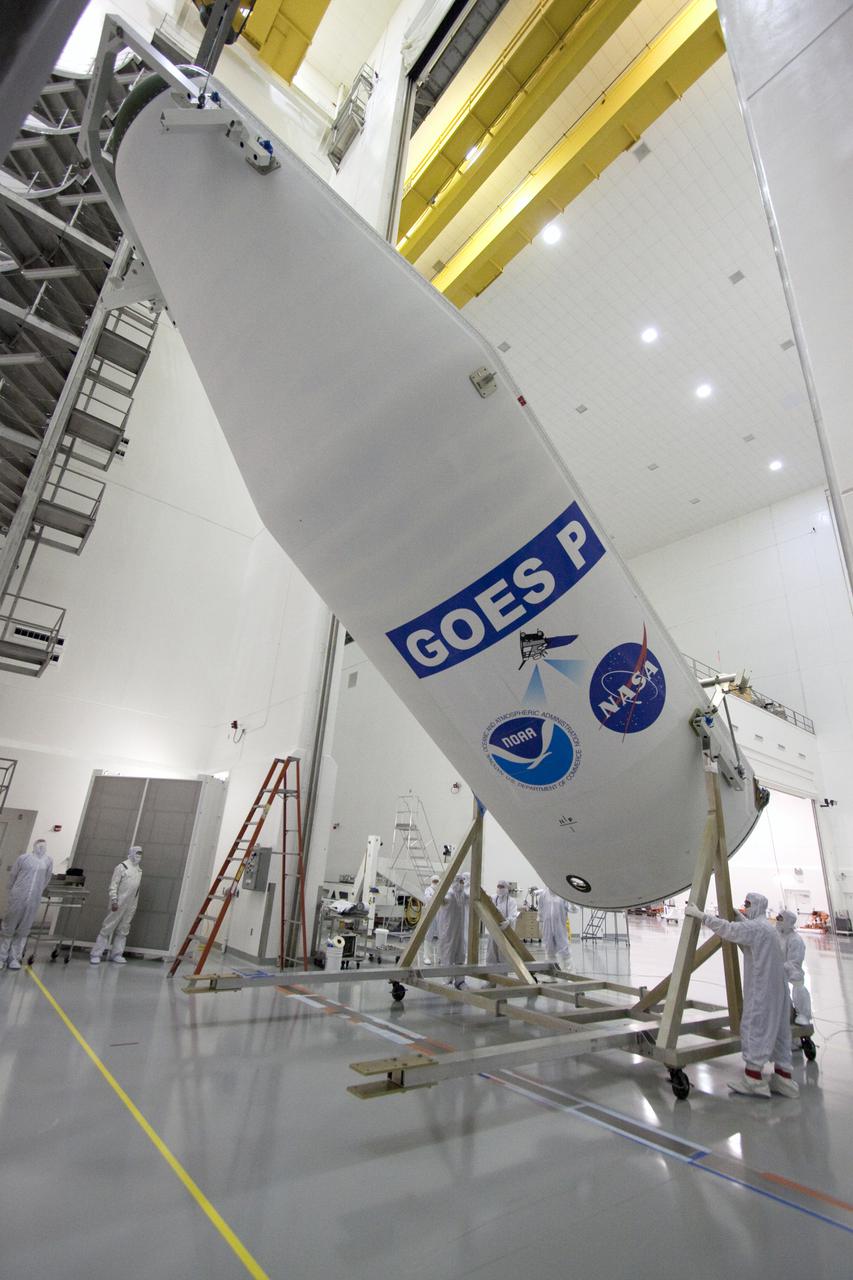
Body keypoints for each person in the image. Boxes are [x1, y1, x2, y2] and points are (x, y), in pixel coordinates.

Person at [685, 891, 797, 1097]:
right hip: (778, 990)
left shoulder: (756, 928)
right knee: (780, 1032)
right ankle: (783, 1077)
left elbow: (728, 930)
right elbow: (746, 929)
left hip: (762, 990)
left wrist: (701, 915)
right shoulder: (767, 928)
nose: (745, 907)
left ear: (755, 906)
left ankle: (753, 1079)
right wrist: (738, 916)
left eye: (747, 905)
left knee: (755, 1027)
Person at [0, 838, 53, 971]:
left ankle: (14, 958)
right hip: (18, 897)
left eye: (44, 843)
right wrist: (14, 891)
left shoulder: (48, 861)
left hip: (33, 900)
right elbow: (13, 875)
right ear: (34, 845)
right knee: (8, 928)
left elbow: (46, 879)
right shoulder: (23, 858)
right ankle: (1, 957)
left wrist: (37, 892)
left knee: (23, 930)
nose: (41, 845)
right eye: (39, 843)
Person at [90, 846, 143, 965]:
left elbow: (136, 890)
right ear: (131, 853)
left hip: (131, 905)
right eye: (137, 853)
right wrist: (114, 900)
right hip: (119, 903)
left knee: (124, 929)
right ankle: (96, 954)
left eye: (141, 854)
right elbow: (113, 885)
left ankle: (117, 954)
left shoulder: (139, 870)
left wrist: (133, 905)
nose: (139, 856)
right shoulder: (122, 867)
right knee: (108, 927)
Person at [776, 910, 812, 1026]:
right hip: (779, 969)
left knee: (797, 984)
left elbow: (795, 962)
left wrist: (780, 967)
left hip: (790, 969)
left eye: (780, 918)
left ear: (788, 921)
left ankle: (803, 1014)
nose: (777, 921)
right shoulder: (779, 935)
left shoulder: (795, 939)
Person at [437, 874, 467, 987]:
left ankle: (460, 980)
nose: (462, 884)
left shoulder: (463, 895)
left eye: (462, 882)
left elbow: (473, 897)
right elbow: (442, 901)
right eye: (459, 881)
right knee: (448, 955)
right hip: (448, 931)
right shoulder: (449, 894)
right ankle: (447, 980)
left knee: (460, 954)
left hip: (459, 931)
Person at [485, 880, 519, 964]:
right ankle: (492, 973)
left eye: (502, 887)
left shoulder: (511, 901)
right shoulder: (493, 898)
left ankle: (503, 974)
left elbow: (513, 915)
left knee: (504, 953)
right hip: (494, 929)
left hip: (506, 931)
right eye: (498, 886)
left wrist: (507, 922)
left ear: (507, 888)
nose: (500, 888)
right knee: (492, 952)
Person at [538, 885, 570, 967]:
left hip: (560, 927)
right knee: (549, 950)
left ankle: (568, 973)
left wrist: (573, 904)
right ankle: (552, 973)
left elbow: (571, 909)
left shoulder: (563, 895)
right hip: (547, 927)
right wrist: (540, 923)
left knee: (564, 950)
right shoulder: (543, 895)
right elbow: (540, 910)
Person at [421, 874, 441, 966]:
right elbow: (428, 899)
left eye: (437, 881)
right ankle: (427, 957)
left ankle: (440, 957)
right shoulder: (428, 890)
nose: (436, 883)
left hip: (440, 915)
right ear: (431, 882)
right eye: (434, 881)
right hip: (431, 915)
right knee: (429, 936)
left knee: (441, 936)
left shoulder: (442, 890)